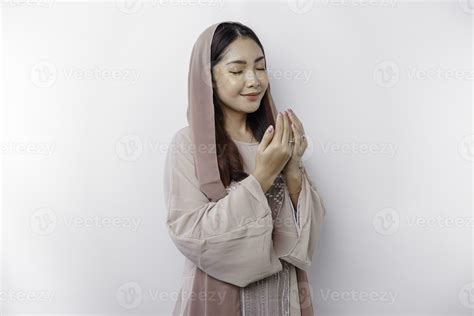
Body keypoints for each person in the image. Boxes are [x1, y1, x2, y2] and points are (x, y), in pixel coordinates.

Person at [163, 21, 327, 316]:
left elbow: (307, 239)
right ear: (208, 78)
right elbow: (192, 235)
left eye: (260, 68)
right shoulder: (189, 144)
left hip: (282, 298)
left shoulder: (276, 141)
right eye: (237, 70)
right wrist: (262, 176)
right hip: (219, 299)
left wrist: (292, 169)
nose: (254, 80)